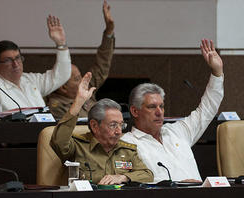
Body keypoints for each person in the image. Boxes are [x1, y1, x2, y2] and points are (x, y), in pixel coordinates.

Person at [121, 39, 224, 182]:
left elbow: (207, 110)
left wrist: (217, 73)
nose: (159, 112)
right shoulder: (127, 144)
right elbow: (138, 186)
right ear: (134, 111)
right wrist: (180, 186)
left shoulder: (177, 131)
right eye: (152, 107)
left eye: (161, 106)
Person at [50, 72, 153, 185]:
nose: (119, 131)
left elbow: (147, 175)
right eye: (113, 125)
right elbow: (58, 142)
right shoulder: (79, 147)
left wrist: (123, 177)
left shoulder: (127, 150)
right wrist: (78, 102)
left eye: (121, 125)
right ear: (95, 126)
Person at [0, 15, 71, 113]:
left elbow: (61, 76)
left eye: (18, 58)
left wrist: (61, 44)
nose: (15, 64)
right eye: (8, 60)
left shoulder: (30, 80)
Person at [47, 0, 115, 120]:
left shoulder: (85, 89)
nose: (83, 80)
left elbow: (102, 65)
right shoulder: (56, 105)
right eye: (77, 79)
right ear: (63, 87)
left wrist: (108, 32)